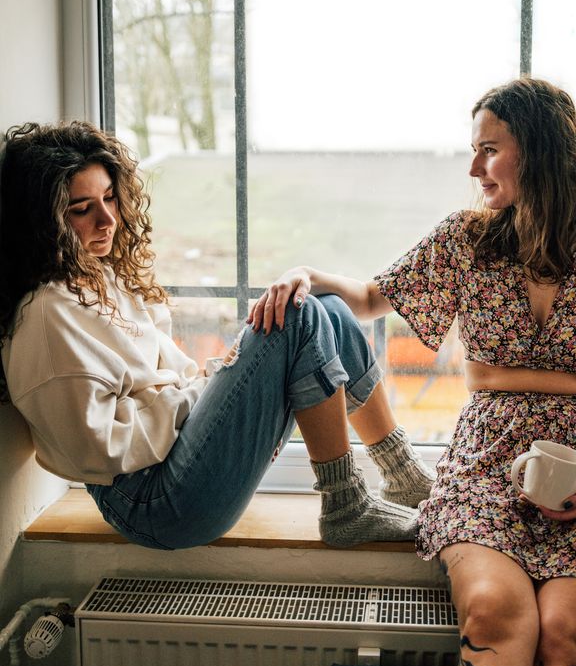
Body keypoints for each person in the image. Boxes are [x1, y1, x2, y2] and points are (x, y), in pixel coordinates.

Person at [250, 77, 576, 666]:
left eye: (488, 150)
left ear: (538, 151)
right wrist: (304, 273)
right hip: (486, 460)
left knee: (562, 632)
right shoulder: (465, 240)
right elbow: (365, 298)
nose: (473, 168)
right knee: (494, 617)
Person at [0, 121, 435, 552]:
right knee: (297, 316)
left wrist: (221, 383)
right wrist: (208, 392)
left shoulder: (100, 280)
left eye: (110, 197)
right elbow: (92, 451)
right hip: (154, 502)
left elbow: (171, 382)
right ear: (44, 221)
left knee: (332, 312)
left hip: (177, 464)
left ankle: (403, 477)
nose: (107, 219)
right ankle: (346, 505)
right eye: (82, 209)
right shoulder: (47, 316)